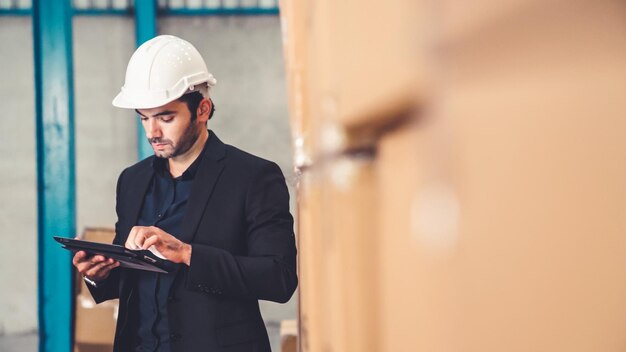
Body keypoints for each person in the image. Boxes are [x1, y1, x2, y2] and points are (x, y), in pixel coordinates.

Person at [72, 35, 298, 352]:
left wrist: (187, 253)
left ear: (202, 109)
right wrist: (99, 274)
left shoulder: (254, 177)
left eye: (166, 117)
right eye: (144, 118)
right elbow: (131, 278)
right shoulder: (132, 181)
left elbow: (279, 278)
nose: (153, 132)